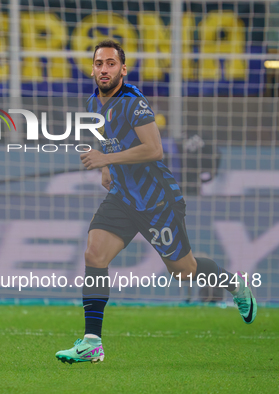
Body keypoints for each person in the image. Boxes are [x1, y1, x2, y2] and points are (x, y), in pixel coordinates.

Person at [55, 40, 257, 364]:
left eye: (110, 63)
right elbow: (106, 139)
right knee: (94, 252)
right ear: (92, 69)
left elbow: (154, 150)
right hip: (122, 197)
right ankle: (92, 341)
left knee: (184, 270)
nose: (103, 69)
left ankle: (234, 283)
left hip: (157, 201)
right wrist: (107, 167)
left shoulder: (134, 102)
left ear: (123, 69)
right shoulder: (94, 103)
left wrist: (107, 157)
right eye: (98, 63)